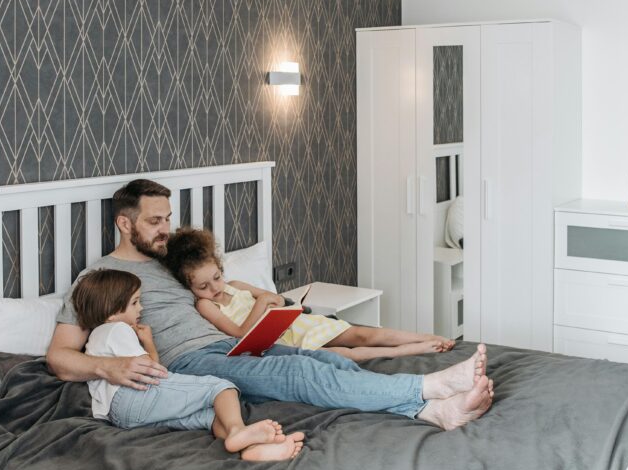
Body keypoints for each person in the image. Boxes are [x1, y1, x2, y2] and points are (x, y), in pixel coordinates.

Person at [47, 178, 493, 430]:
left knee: (330, 364)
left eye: (168, 218)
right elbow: (59, 356)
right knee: (299, 372)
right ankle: (427, 390)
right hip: (188, 362)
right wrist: (109, 368)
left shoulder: (171, 261)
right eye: (155, 221)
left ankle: (433, 411)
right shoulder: (100, 278)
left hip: (228, 347)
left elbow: (218, 289)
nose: (166, 229)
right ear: (125, 224)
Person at [70, 268, 304, 461]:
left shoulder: (95, 340)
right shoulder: (117, 330)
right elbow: (151, 369)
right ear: (112, 313)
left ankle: (250, 450)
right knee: (222, 388)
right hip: (133, 396)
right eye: (135, 303)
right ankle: (238, 431)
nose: (141, 309)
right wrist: (149, 343)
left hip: (119, 415)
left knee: (210, 415)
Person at [164, 227, 455, 360]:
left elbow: (275, 299)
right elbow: (240, 333)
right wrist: (264, 303)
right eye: (203, 286)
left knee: (361, 333)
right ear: (189, 286)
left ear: (219, 267)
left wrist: (270, 301)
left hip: (290, 324)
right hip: (275, 343)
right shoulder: (205, 306)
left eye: (216, 277)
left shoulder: (236, 286)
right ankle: (411, 350)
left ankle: (427, 337)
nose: (214, 288)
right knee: (339, 355)